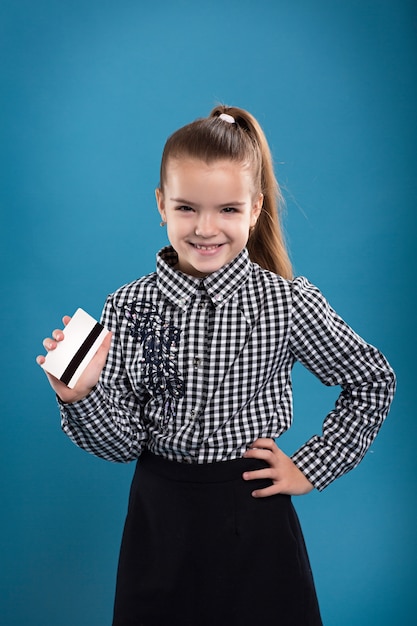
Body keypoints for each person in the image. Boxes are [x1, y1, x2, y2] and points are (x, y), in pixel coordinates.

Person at [37, 105, 396, 626]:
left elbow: (371, 380)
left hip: (254, 520)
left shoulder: (285, 303)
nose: (206, 228)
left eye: (228, 210)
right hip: (158, 523)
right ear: (161, 205)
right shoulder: (124, 308)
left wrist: (309, 468)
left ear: (255, 210)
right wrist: (81, 395)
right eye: (187, 208)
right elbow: (121, 447)